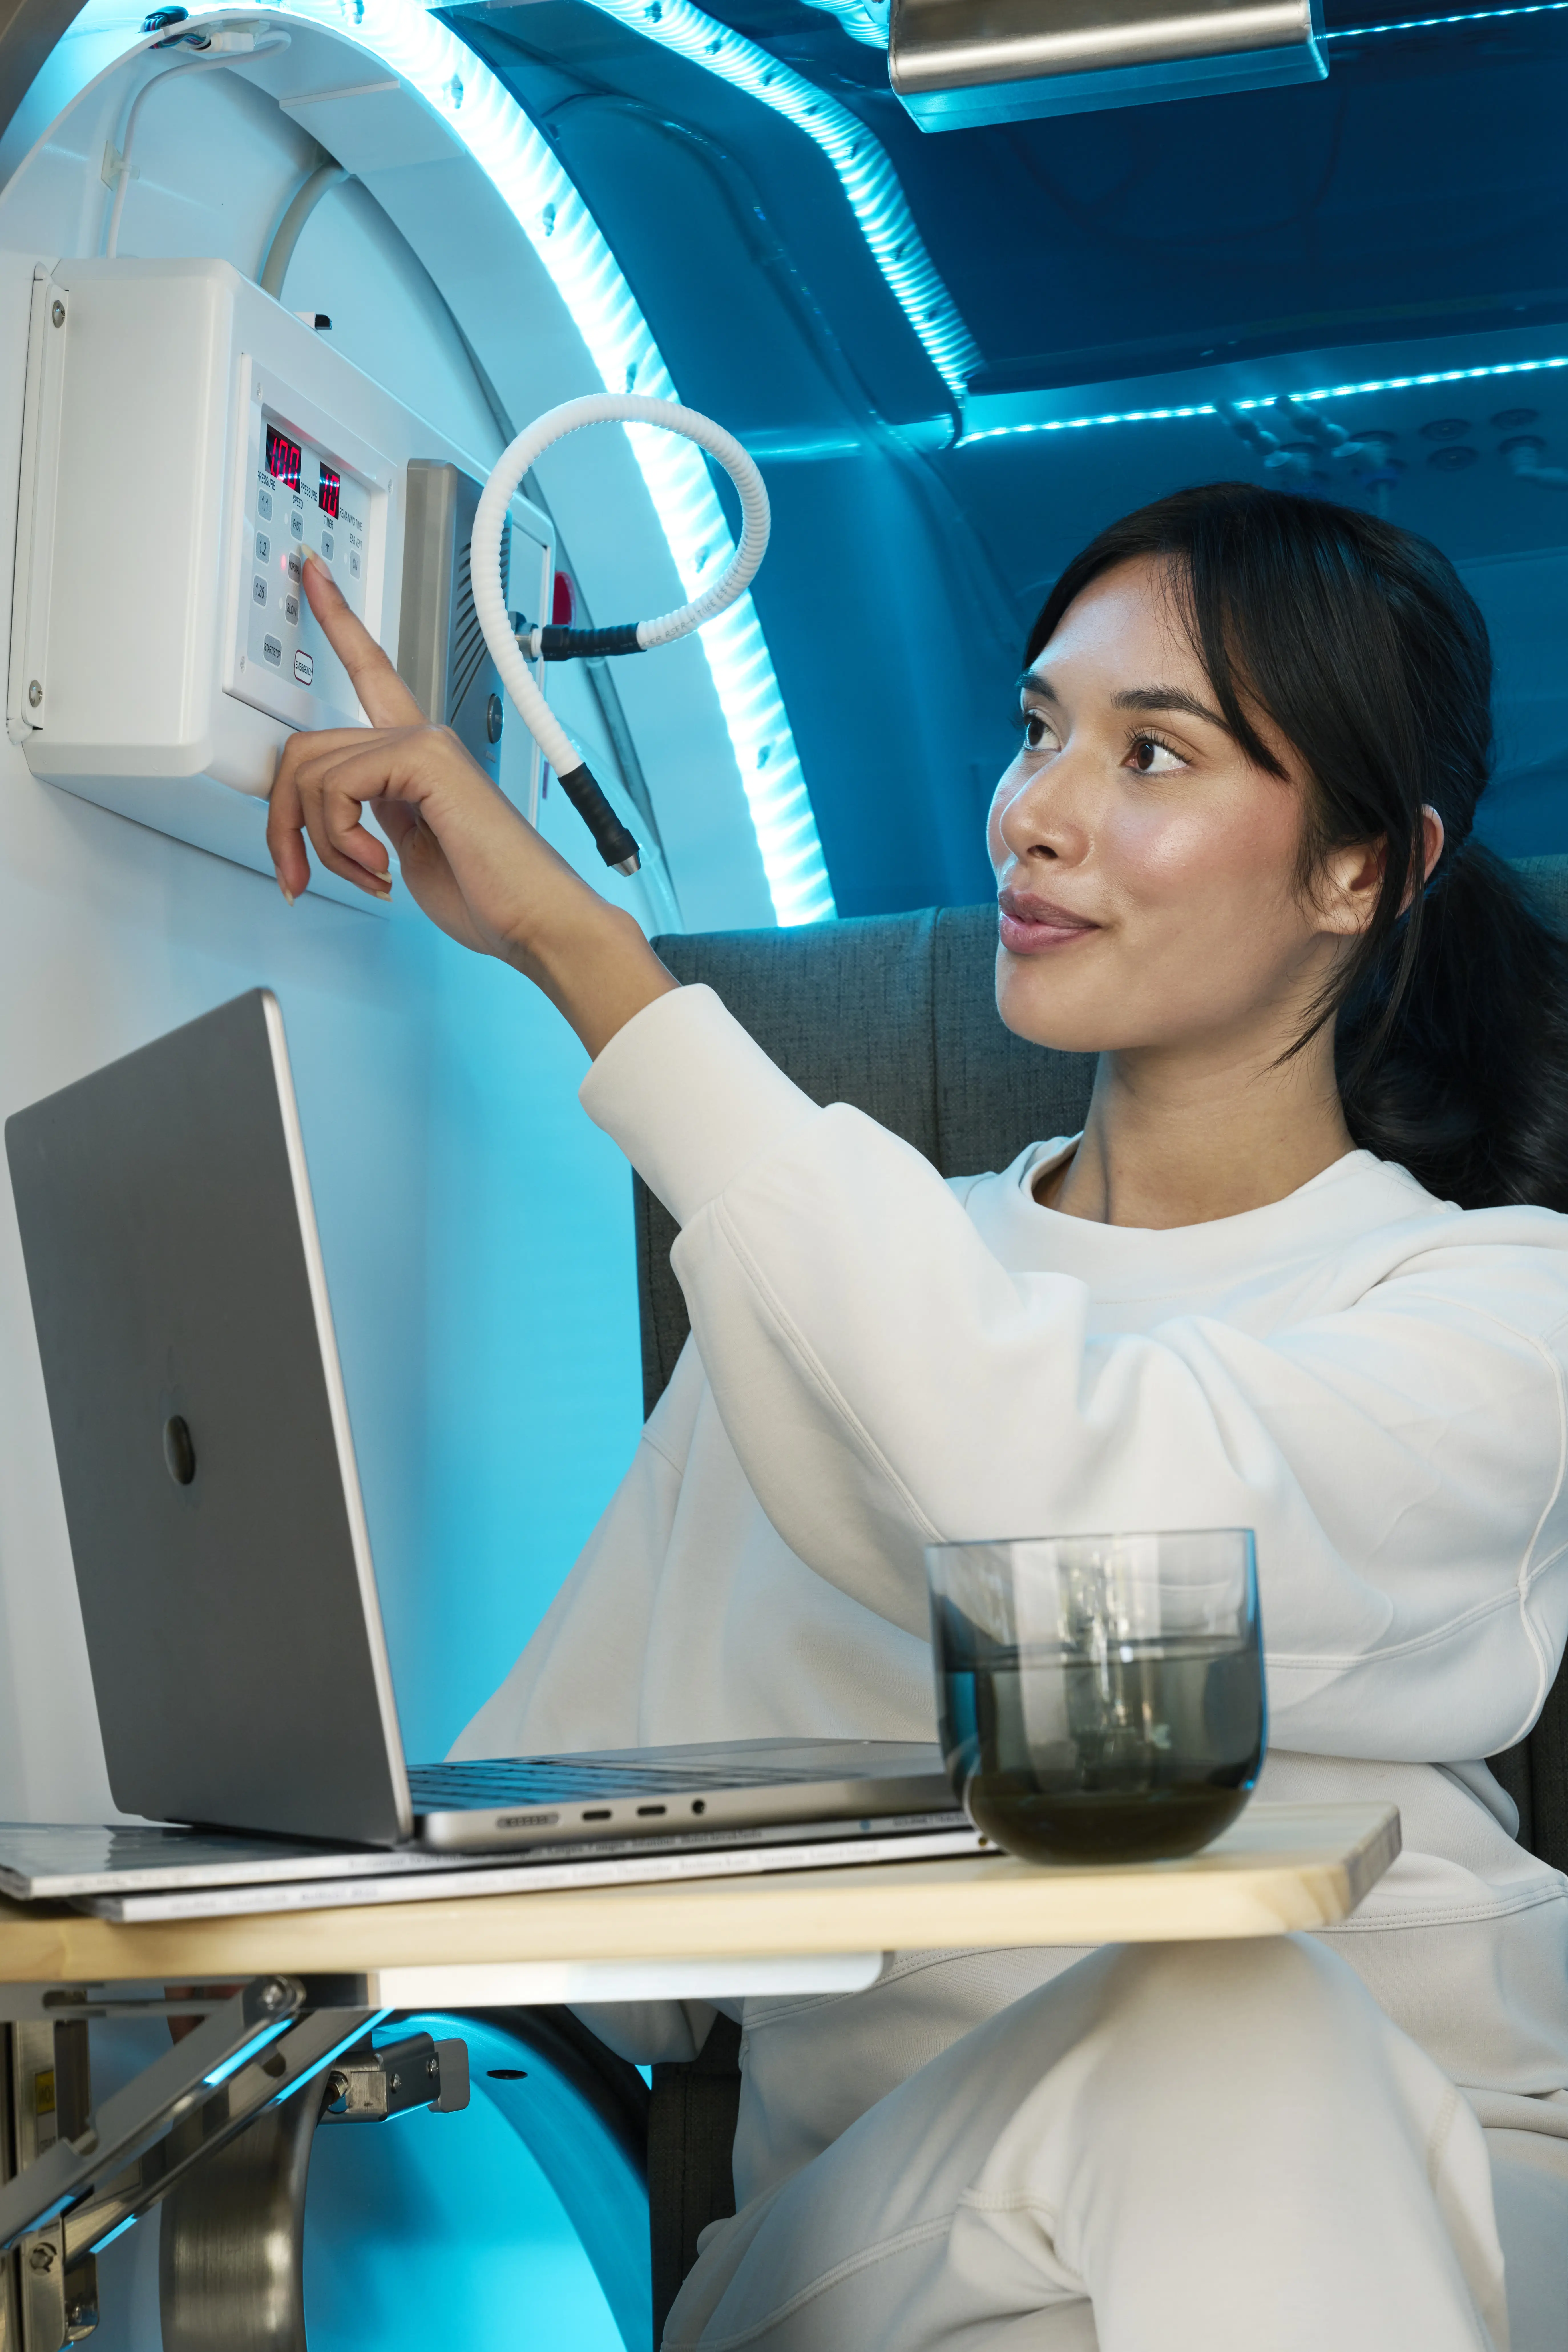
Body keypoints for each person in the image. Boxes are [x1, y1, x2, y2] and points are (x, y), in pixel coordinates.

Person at [270, 484, 1568, 2351]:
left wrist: (595, 959)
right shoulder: (814, 1286)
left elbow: (1093, 1514)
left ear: (1366, 870)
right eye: (1039, 730)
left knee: (1249, 2021)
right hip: (912, 2218)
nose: (1036, 812)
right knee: (1224, 2013)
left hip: (1469, 2172)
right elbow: (558, 1875)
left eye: (1152, 753)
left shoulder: (1495, 1307)